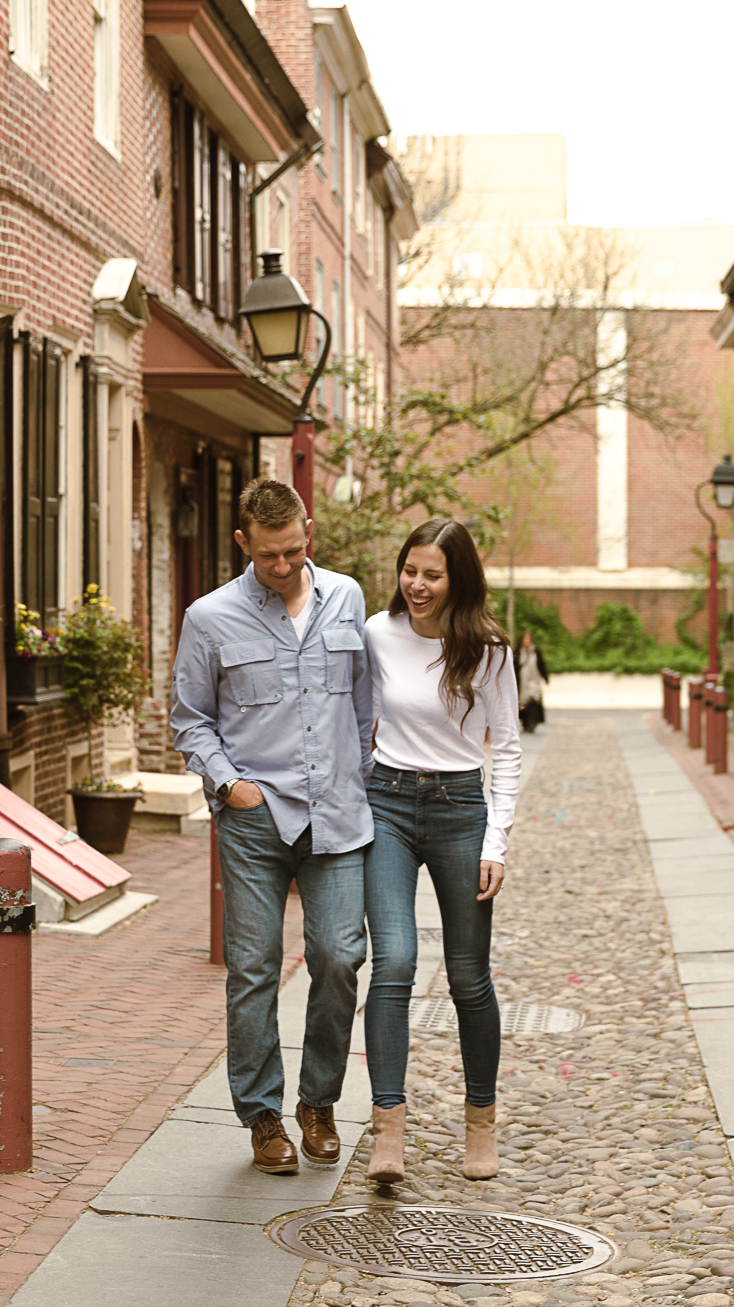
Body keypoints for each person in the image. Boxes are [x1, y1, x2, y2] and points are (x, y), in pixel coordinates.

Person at [169, 479, 374, 1177]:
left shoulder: (347, 598)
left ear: (307, 531)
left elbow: (367, 708)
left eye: (294, 550)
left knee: (341, 955)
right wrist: (231, 785)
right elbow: (190, 719)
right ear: (243, 544)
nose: (284, 566)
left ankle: (319, 1101)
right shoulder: (209, 617)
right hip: (256, 820)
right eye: (269, 557)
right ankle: (262, 1115)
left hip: (338, 815)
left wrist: (361, 777)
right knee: (253, 970)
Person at [361, 518, 521, 1184]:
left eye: (432, 574)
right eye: (410, 570)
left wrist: (496, 841)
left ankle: (480, 1120)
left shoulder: (486, 648)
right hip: (387, 804)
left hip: (460, 809)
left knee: (466, 976)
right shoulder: (376, 633)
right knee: (393, 960)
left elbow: (507, 747)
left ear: (457, 578)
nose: (417, 585)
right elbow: (356, 720)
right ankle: (387, 1129)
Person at [515, 630, 548, 734]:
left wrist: (545, 677)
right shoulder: (517, 651)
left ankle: (532, 722)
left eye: (528, 639)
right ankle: (525, 722)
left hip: (533, 681)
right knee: (523, 702)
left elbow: (541, 665)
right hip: (521, 681)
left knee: (534, 701)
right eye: (525, 639)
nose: (527, 641)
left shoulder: (535, 651)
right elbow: (514, 666)